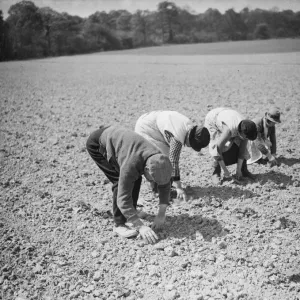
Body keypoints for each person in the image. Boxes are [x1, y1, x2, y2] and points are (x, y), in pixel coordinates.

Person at [86, 125, 172, 244]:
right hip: (98, 143)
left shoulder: (160, 160)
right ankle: (119, 224)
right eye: (153, 179)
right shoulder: (131, 164)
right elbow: (123, 198)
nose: (153, 182)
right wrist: (140, 226)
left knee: (136, 179)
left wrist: (161, 214)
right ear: (146, 169)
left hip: (121, 141)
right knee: (119, 181)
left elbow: (164, 185)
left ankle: (131, 213)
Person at [134, 111, 210, 201]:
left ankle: (165, 185)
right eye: (192, 145)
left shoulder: (188, 127)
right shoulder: (177, 137)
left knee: (165, 157)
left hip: (152, 123)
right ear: (191, 139)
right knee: (160, 159)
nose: (190, 147)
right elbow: (173, 161)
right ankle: (157, 188)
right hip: (146, 128)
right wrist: (179, 187)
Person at [204, 107, 258, 185]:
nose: (247, 139)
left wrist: (238, 170)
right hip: (213, 119)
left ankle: (243, 170)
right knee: (219, 146)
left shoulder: (246, 128)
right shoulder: (228, 131)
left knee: (243, 145)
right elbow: (218, 150)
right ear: (242, 133)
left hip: (229, 116)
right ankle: (216, 172)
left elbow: (242, 150)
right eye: (246, 137)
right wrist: (226, 172)